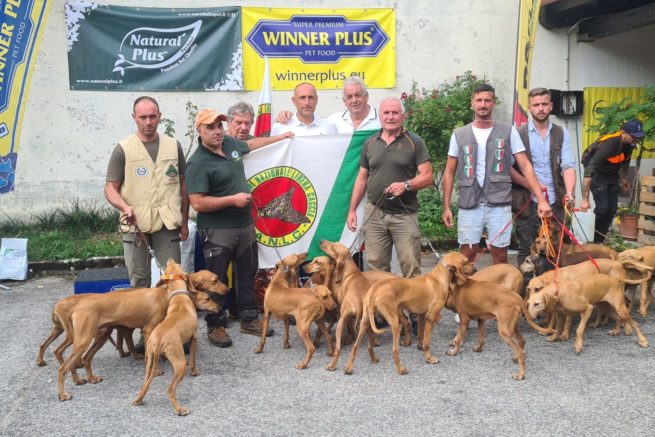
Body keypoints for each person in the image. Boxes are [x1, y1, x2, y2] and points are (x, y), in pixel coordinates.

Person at [185, 109, 293, 348]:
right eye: (210, 127)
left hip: (244, 225)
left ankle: (248, 318)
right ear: (199, 130)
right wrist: (232, 200)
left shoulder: (230, 143)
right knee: (216, 279)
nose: (217, 131)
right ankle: (215, 325)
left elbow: (252, 144)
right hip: (217, 229)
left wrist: (281, 137)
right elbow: (198, 203)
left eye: (219, 126)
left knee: (247, 273)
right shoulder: (197, 163)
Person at [442, 84, 552, 265]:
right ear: (472, 103)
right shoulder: (459, 134)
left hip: (499, 204)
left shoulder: (508, 131)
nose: (483, 104)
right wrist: (446, 207)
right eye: (479, 100)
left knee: (500, 256)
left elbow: (525, 165)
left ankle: (497, 284)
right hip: (469, 203)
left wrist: (540, 199)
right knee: (466, 256)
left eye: (487, 100)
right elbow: (449, 171)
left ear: (494, 103)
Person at [104, 96, 189, 288]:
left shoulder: (173, 145)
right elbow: (110, 188)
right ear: (134, 117)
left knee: (174, 279)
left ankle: (172, 308)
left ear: (160, 116)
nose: (148, 122)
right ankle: (142, 309)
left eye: (152, 116)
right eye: (143, 117)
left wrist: (184, 221)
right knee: (139, 280)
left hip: (167, 222)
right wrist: (124, 207)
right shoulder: (123, 149)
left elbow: (184, 184)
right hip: (135, 223)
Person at [346, 97, 433, 278]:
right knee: (376, 270)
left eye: (395, 112)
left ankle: (412, 298)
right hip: (375, 214)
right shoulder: (370, 142)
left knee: (411, 268)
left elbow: (427, 177)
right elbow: (362, 178)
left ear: (403, 116)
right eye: (386, 113)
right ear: (380, 116)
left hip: (404, 216)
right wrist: (352, 209)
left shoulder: (415, 142)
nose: (390, 117)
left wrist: (406, 185)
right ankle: (383, 298)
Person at [511, 87, 576, 266]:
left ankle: (553, 283)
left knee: (557, 249)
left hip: (556, 202)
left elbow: (568, 166)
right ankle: (527, 283)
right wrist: (531, 185)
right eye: (536, 105)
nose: (541, 108)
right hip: (527, 202)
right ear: (529, 108)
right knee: (527, 248)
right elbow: (508, 169)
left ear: (551, 106)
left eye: (544, 104)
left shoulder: (562, 133)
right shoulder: (517, 133)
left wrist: (570, 193)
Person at [580, 119, 645, 243]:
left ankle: (598, 242)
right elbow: (590, 169)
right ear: (624, 133)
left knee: (612, 210)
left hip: (611, 172)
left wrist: (624, 178)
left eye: (638, 137)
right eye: (633, 136)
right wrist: (585, 199)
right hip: (596, 172)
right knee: (603, 208)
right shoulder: (610, 143)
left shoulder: (630, 144)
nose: (636, 139)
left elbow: (626, 161)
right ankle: (589, 241)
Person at [270, 82, 337, 136]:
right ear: (294, 101)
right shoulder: (280, 126)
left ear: (316, 100)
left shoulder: (329, 126)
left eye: (311, 97)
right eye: (302, 98)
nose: (307, 103)